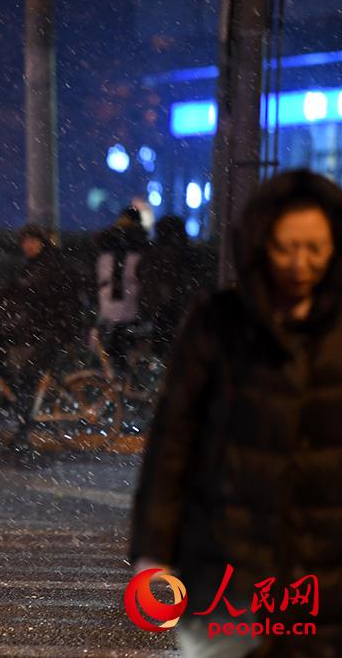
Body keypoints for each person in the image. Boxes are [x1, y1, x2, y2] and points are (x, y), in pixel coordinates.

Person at [129, 170, 342, 656]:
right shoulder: (218, 321)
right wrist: (154, 546)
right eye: (287, 247)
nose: (300, 263)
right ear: (263, 243)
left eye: (315, 248)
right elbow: (174, 435)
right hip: (228, 566)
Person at [0, 224, 85, 415]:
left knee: (28, 375)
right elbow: (10, 294)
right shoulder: (32, 266)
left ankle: (23, 429)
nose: (27, 246)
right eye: (24, 242)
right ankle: (13, 392)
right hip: (41, 327)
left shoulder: (50, 265)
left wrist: (1, 312)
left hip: (58, 329)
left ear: (42, 242)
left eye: (32, 241)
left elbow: (24, 294)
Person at [138, 215, 200, 359]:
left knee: (159, 352)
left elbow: (142, 276)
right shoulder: (183, 256)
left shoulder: (152, 255)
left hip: (154, 313)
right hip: (175, 314)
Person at [95, 206, 149, 364]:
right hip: (129, 307)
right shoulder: (139, 246)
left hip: (110, 304)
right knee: (124, 351)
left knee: (110, 351)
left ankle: (116, 380)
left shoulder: (108, 244)